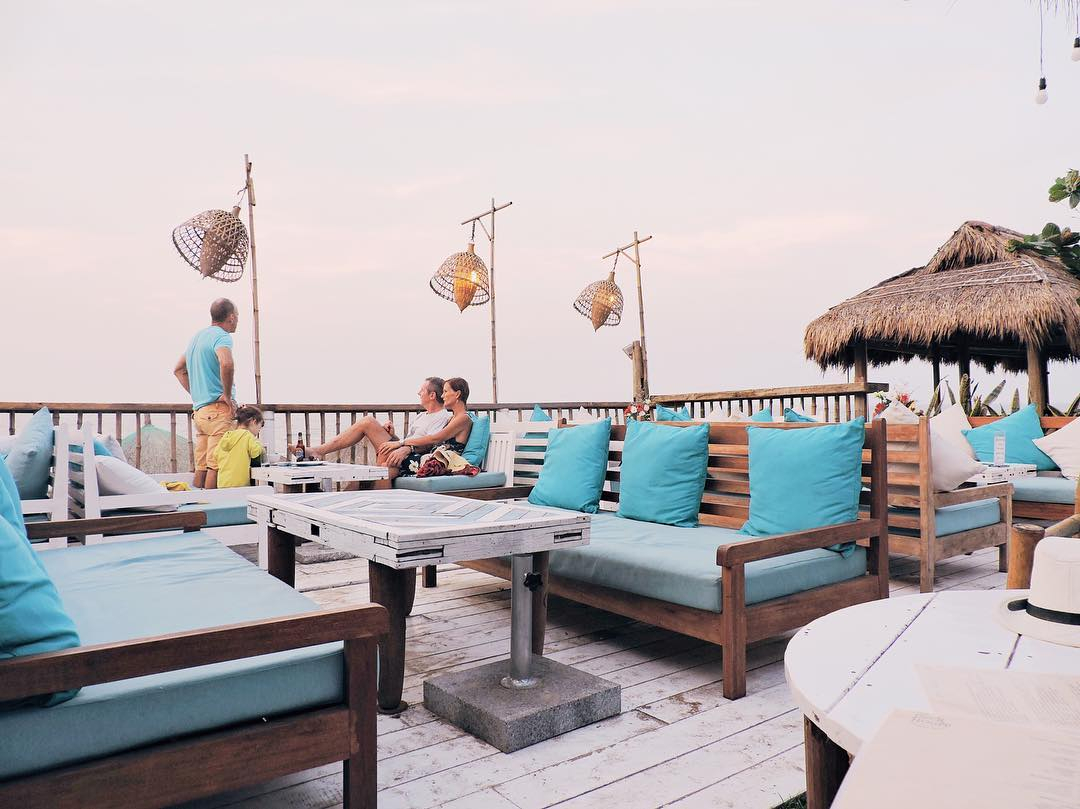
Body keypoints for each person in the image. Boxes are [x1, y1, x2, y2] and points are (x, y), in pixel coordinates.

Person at [174, 298, 239, 489]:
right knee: (215, 466)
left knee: (201, 466)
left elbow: (178, 370)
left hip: (200, 412)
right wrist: (227, 395)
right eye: (237, 316)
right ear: (231, 317)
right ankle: (211, 506)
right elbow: (226, 363)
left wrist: (197, 393)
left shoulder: (197, 337)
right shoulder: (222, 336)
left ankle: (196, 502)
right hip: (218, 412)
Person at [383, 378, 473, 479]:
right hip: (432, 457)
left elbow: (435, 438)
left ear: (457, 394)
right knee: (387, 464)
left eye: (445, 391)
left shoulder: (463, 418)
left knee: (387, 464)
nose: (442, 396)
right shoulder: (452, 418)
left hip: (441, 463)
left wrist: (401, 443)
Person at [214, 406, 265, 489]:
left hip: (222, 483)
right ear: (254, 421)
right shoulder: (247, 435)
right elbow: (255, 452)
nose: (259, 430)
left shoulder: (226, 436)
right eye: (260, 426)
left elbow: (215, 455)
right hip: (240, 485)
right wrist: (260, 445)